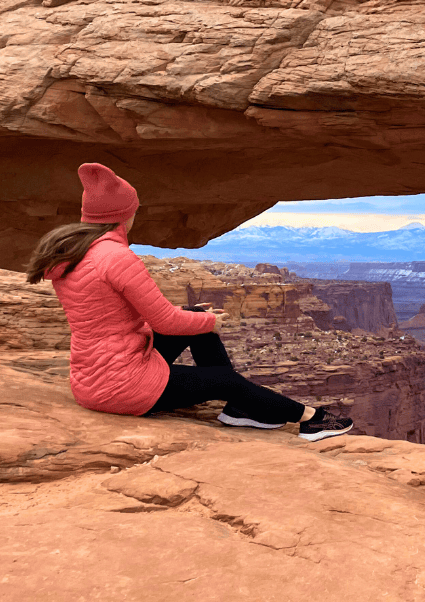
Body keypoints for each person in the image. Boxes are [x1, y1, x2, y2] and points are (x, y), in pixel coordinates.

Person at [25, 162, 354, 442]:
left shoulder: (75, 254)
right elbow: (165, 322)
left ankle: (240, 407)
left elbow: (124, 317)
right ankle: (311, 418)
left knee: (194, 317)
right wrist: (212, 323)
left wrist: (194, 317)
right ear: (124, 215)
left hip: (93, 379)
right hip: (123, 387)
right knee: (223, 377)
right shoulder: (116, 257)